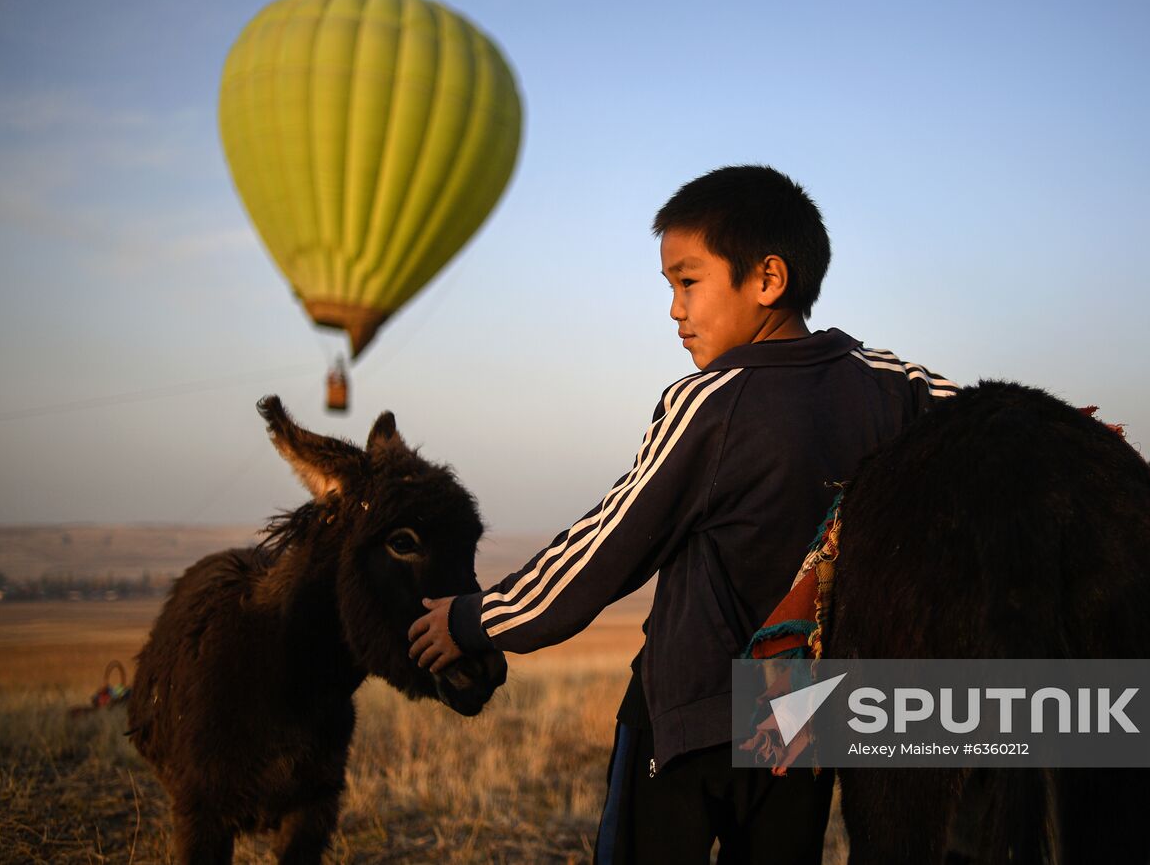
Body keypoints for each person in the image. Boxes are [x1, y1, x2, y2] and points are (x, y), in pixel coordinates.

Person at [407, 164, 958, 863]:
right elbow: (991, 422)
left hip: (691, 719)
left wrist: (472, 620)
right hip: (803, 716)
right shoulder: (891, 386)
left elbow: (604, 549)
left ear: (767, 279)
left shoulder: (711, 402)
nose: (674, 309)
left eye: (687, 281)